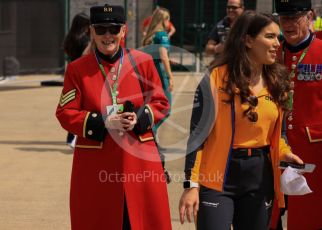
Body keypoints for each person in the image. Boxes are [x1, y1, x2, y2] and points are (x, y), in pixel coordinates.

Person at [178, 11, 304, 230]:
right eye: (270, 37)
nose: (277, 43)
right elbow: (197, 138)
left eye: (278, 37)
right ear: (247, 40)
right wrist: (191, 185)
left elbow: (279, 134)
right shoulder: (215, 79)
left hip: (260, 176)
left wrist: (285, 152)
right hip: (216, 177)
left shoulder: (278, 81)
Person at [56, 4, 172, 230]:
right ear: (91, 31)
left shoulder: (143, 61)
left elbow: (161, 102)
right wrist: (102, 122)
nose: (107, 35)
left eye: (113, 29)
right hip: (96, 165)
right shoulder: (77, 70)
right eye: (101, 29)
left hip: (139, 161)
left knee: (142, 221)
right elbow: (65, 112)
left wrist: (140, 118)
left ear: (123, 31)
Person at [271, 0, 322, 229]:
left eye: (294, 18)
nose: (288, 24)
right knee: (268, 215)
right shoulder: (272, 53)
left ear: (309, 16)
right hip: (273, 147)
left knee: (307, 218)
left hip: (312, 150)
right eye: (284, 18)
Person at [142, 7, 174, 140]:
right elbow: (163, 56)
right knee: (166, 108)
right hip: (160, 74)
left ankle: (151, 136)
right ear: (164, 20)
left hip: (150, 74)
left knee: (153, 105)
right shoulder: (162, 35)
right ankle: (149, 131)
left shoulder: (151, 36)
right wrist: (170, 76)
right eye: (168, 20)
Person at [63, 12, 91, 148]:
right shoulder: (85, 40)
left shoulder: (69, 38)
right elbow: (86, 56)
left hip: (71, 72)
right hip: (82, 73)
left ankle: (71, 137)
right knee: (83, 106)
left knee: (72, 105)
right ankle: (74, 137)